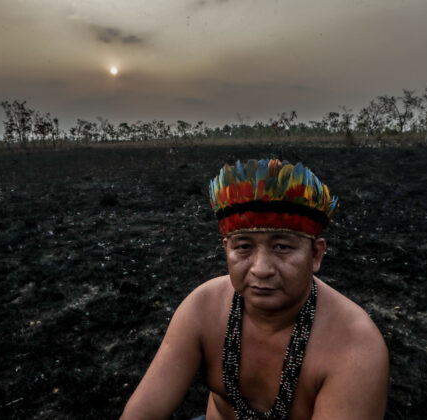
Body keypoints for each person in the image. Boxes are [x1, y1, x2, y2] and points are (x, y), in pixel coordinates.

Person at [121, 159, 389, 420]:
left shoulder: (354, 347)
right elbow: (142, 412)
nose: (261, 269)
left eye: (282, 247)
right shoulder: (203, 308)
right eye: (244, 247)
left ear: (316, 255)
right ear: (226, 250)